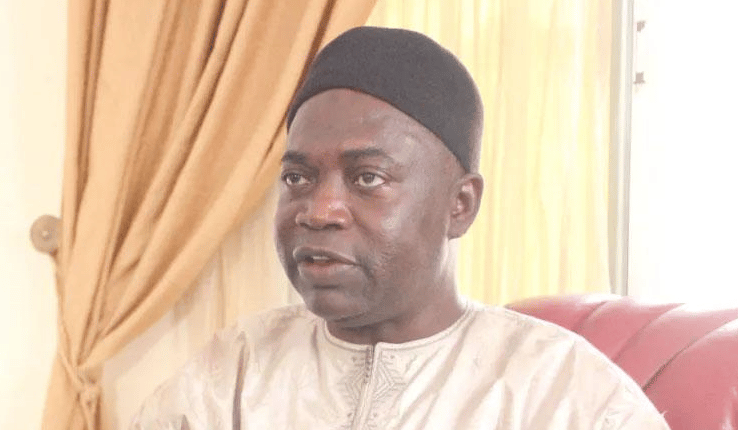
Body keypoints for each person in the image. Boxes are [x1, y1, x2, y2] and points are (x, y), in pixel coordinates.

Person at [131, 27, 670, 429]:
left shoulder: (566, 394)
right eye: (297, 177)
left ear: (460, 205)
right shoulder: (231, 375)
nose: (319, 211)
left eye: (367, 178)